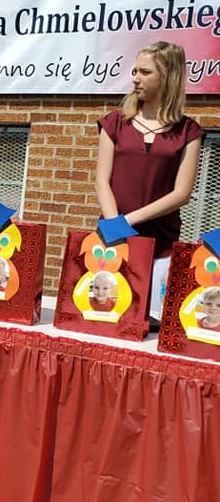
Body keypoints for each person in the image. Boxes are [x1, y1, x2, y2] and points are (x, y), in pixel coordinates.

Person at [95, 41, 203, 320]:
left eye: (144, 72)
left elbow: (182, 193)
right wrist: (115, 225)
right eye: (134, 71)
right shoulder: (114, 123)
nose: (135, 78)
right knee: (106, 317)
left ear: (167, 77)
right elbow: (101, 180)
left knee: (150, 323)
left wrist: (128, 221)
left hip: (160, 246)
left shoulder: (188, 131)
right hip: (112, 243)